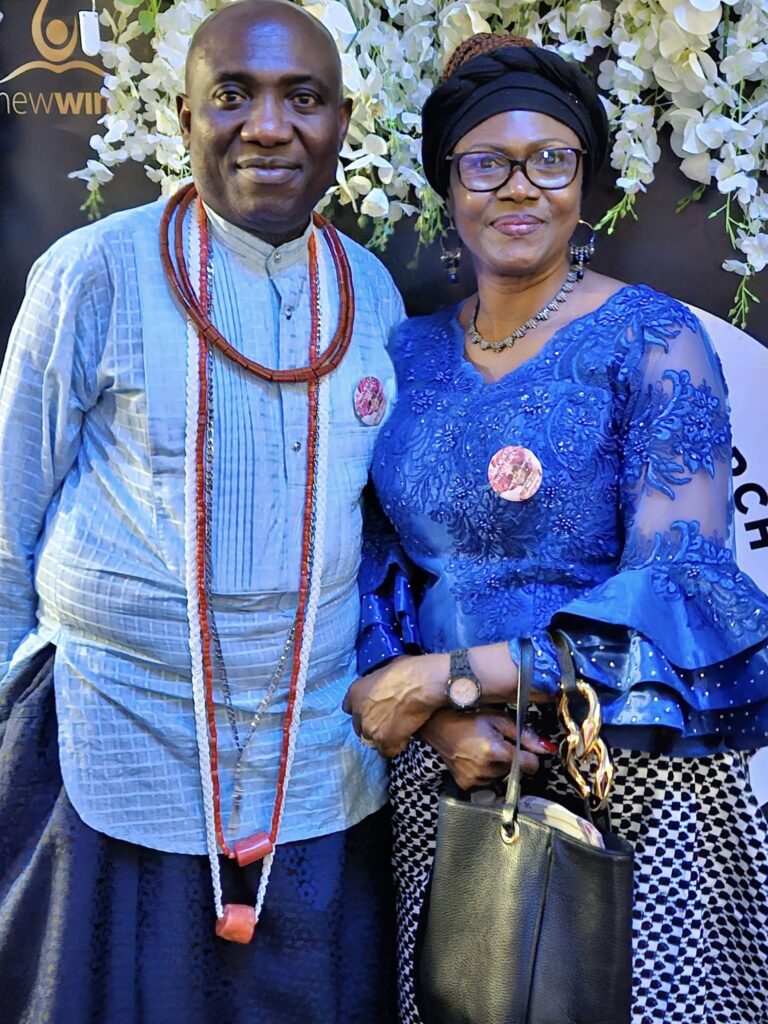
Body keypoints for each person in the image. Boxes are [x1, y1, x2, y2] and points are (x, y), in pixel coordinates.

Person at [344, 33, 768, 1024]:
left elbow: (684, 584)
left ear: (585, 180)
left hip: (632, 777)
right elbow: (367, 571)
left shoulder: (655, 338)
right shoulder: (402, 354)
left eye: (551, 160)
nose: (519, 189)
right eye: (487, 162)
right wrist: (444, 719)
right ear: (448, 182)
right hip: (453, 784)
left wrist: (458, 674)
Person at [0, 2, 404, 1021]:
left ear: (342, 124)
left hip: (311, 768)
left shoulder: (371, 294)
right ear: (184, 117)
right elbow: (5, 519)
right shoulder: (92, 270)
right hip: (106, 750)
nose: (267, 126)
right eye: (234, 94)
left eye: (301, 99)